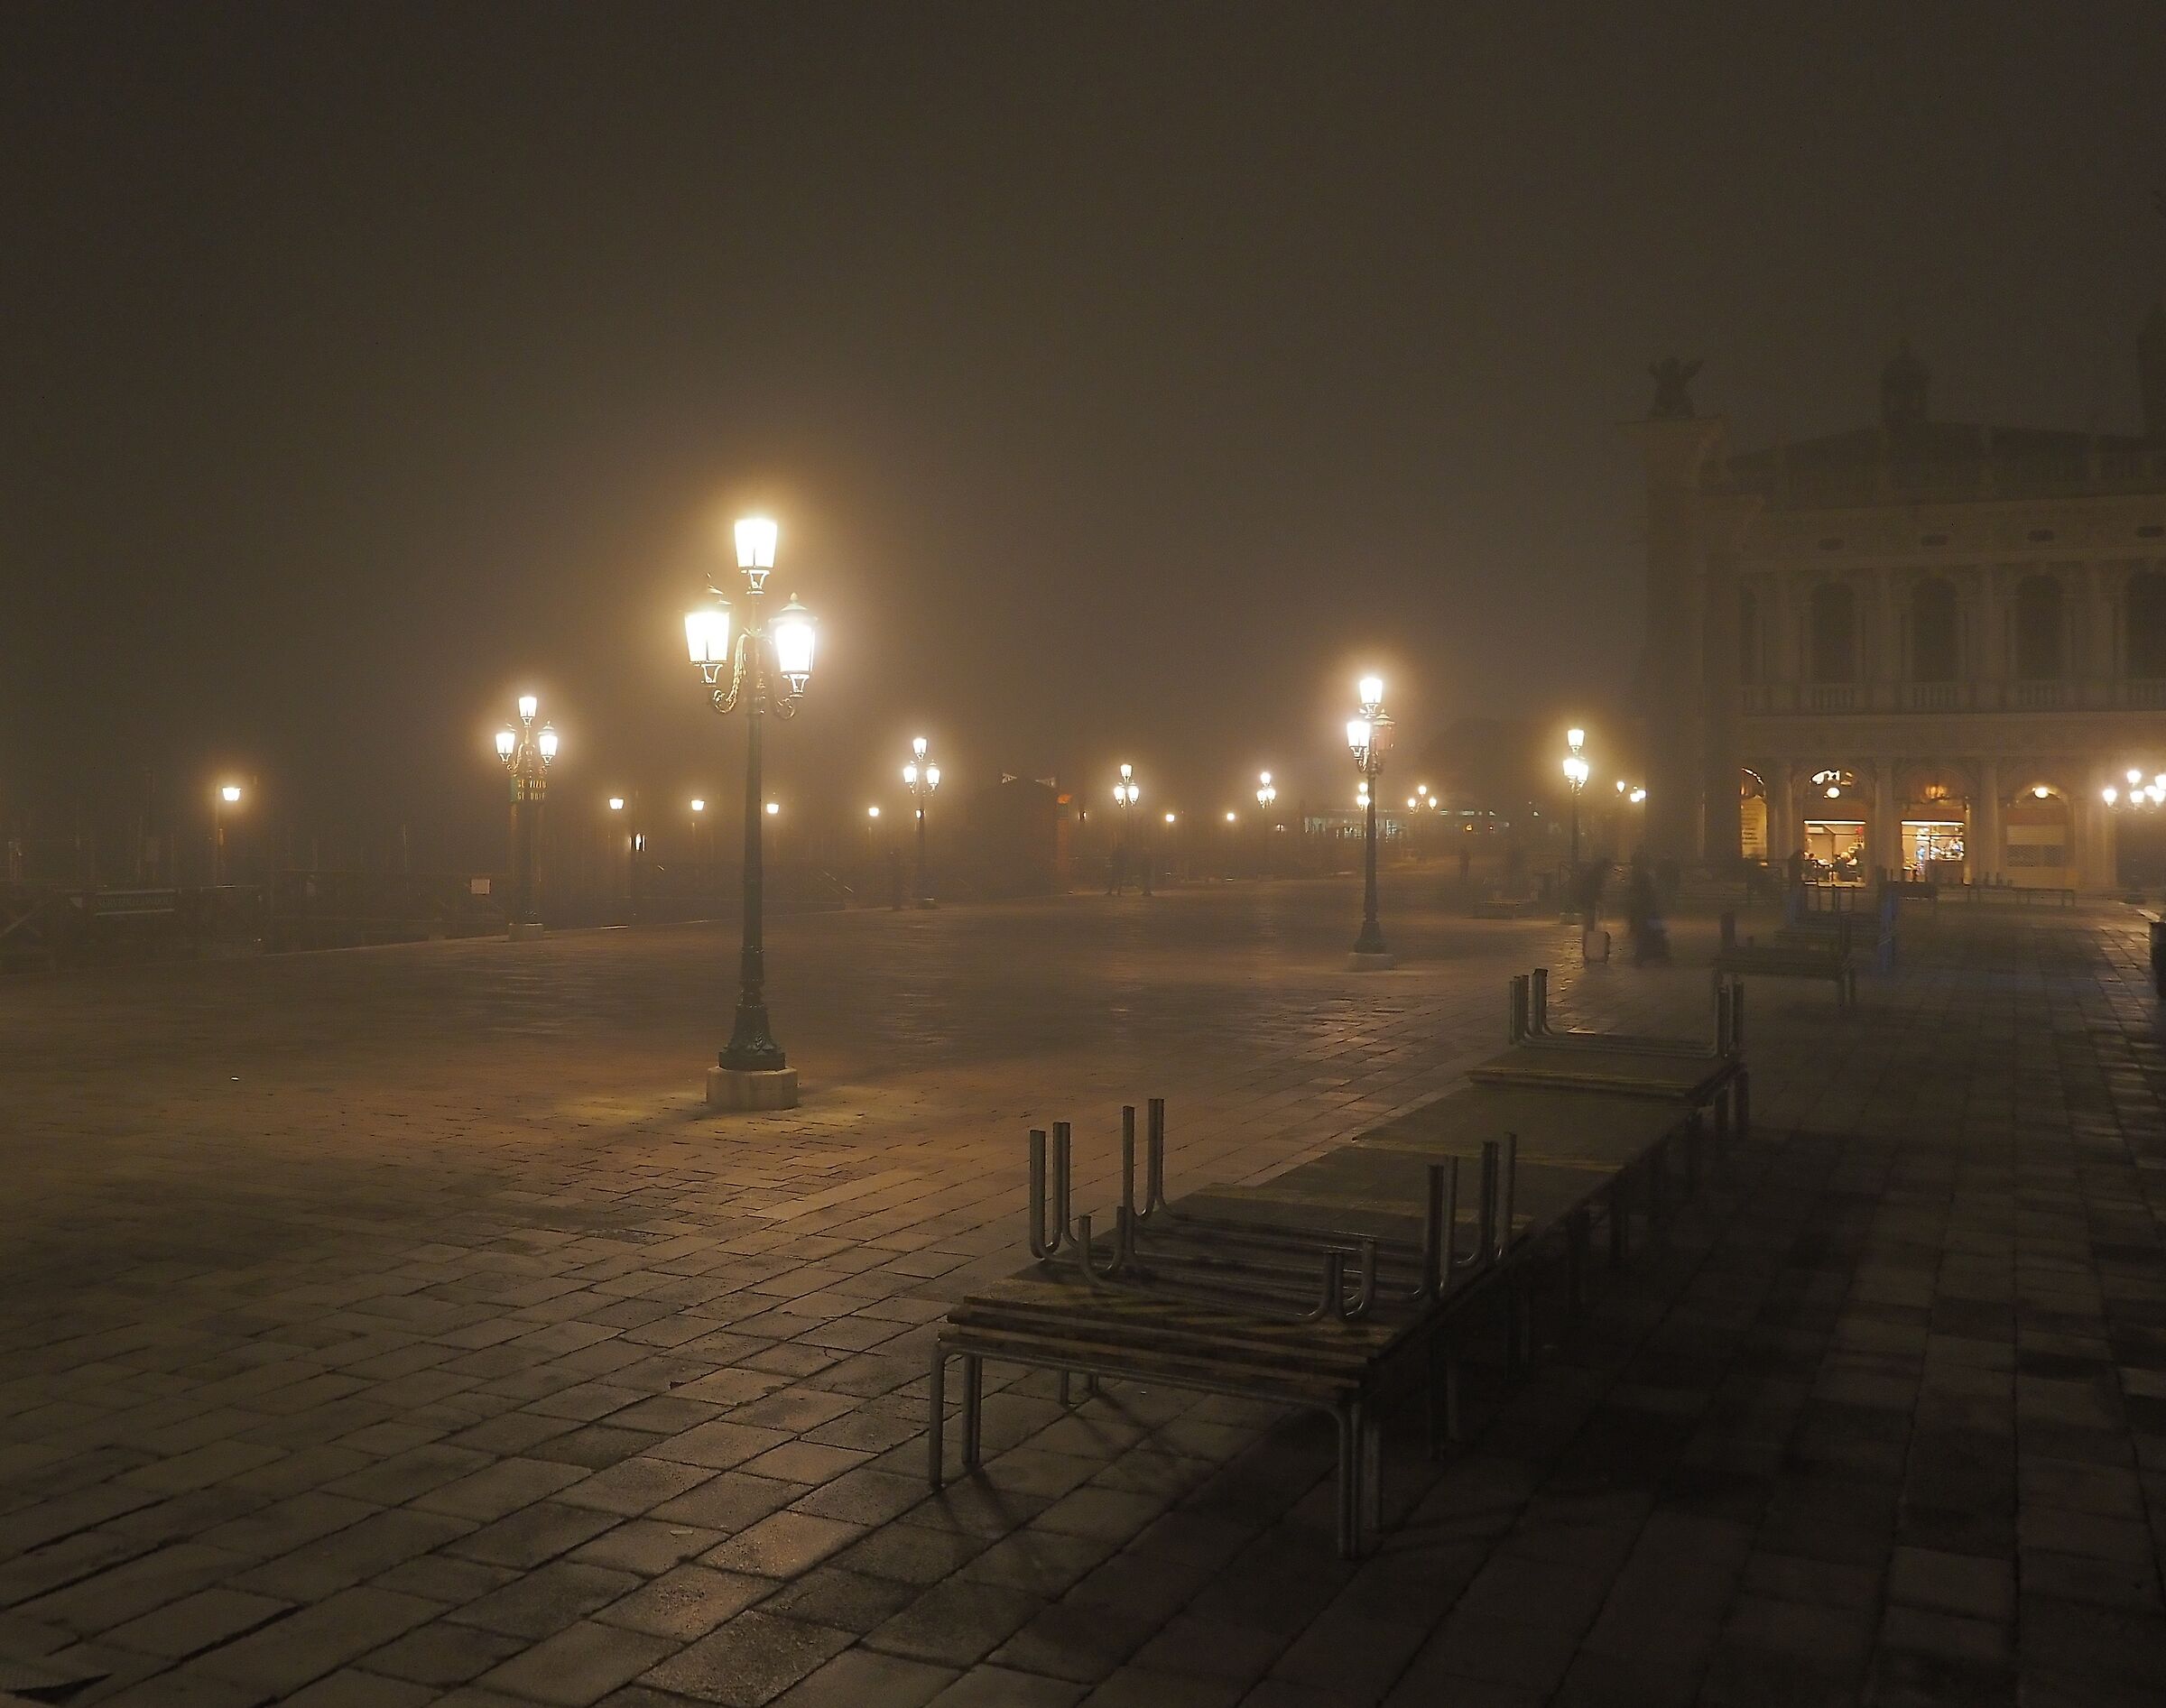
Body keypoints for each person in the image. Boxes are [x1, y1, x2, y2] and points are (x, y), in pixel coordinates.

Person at [1627, 855, 1670, 964]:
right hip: (1650, 912)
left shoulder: (1638, 883)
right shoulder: (1647, 882)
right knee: (1653, 932)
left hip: (1644, 913)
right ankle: (1651, 955)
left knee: (1644, 935)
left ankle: (1642, 957)